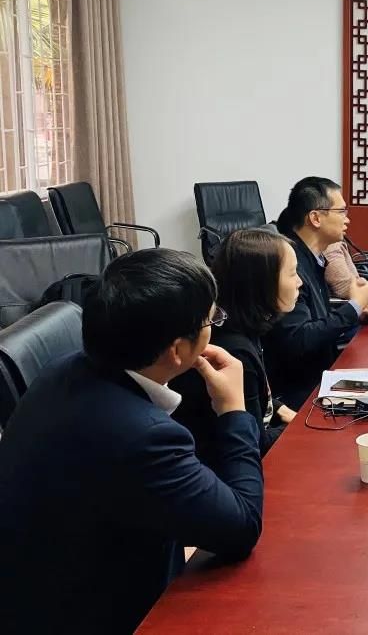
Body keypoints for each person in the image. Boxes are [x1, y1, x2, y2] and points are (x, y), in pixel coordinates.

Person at [0, 249, 264, 633]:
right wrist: (234, 409)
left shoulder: (64, 368)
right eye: (212, 319)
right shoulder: (143, 436)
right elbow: (242, 528)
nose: (216, 326)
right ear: (177, 350)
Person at [172, 229, 303, 465]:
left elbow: (255, 396)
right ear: (262, 283)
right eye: (292, 273)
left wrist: (279, 408)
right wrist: (301, 429)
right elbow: (256, 446)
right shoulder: (234, 351)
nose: (299, 281)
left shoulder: (241, 323)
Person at [264, 176, 368, 408]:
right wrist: (353, 307)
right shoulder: (290, 266)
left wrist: (355, 314)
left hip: (322, 376)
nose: (347, 219)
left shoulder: (312, 257)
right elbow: (299, 339)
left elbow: (315, 321)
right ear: (315, 218)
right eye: (341, 211)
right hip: (301, 392)